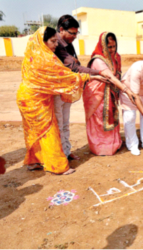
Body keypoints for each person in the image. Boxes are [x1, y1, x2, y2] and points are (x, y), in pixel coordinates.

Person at [16, 27, 107, 175]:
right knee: (49, 131)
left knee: (33, 132)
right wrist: (91, 76)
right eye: (52, 41)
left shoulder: (32, 54)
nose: (55, 45)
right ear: (42, 41)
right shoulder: (45, 58)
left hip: (26, 98)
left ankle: (34, 162)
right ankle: (58, 166)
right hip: (35, 100)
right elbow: (64, 76)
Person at [54, 15, 114, 161]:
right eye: (72, 33)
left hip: (67, 89)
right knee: (58, 124)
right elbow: (74, 66)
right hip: (55, 90)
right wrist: (98, 73)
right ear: (61, 29)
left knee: (65, 123)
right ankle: (59, 155)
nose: (74, 36)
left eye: (76, 33)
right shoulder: (55, 44)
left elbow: (76, 65)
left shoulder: (69, 43)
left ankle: (67, 152)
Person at [83, 32, 136, 156]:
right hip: (97, 95)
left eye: (114, 46)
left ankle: (113, 144)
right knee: (99, 118)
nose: (112, 50)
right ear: (103, 46)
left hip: (111, 92)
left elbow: (118, 73)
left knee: (111, 116)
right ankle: (100, 147)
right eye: (109, 47)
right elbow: (110, 77)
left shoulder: (116, 56)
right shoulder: (98, 60)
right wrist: (126, 90)